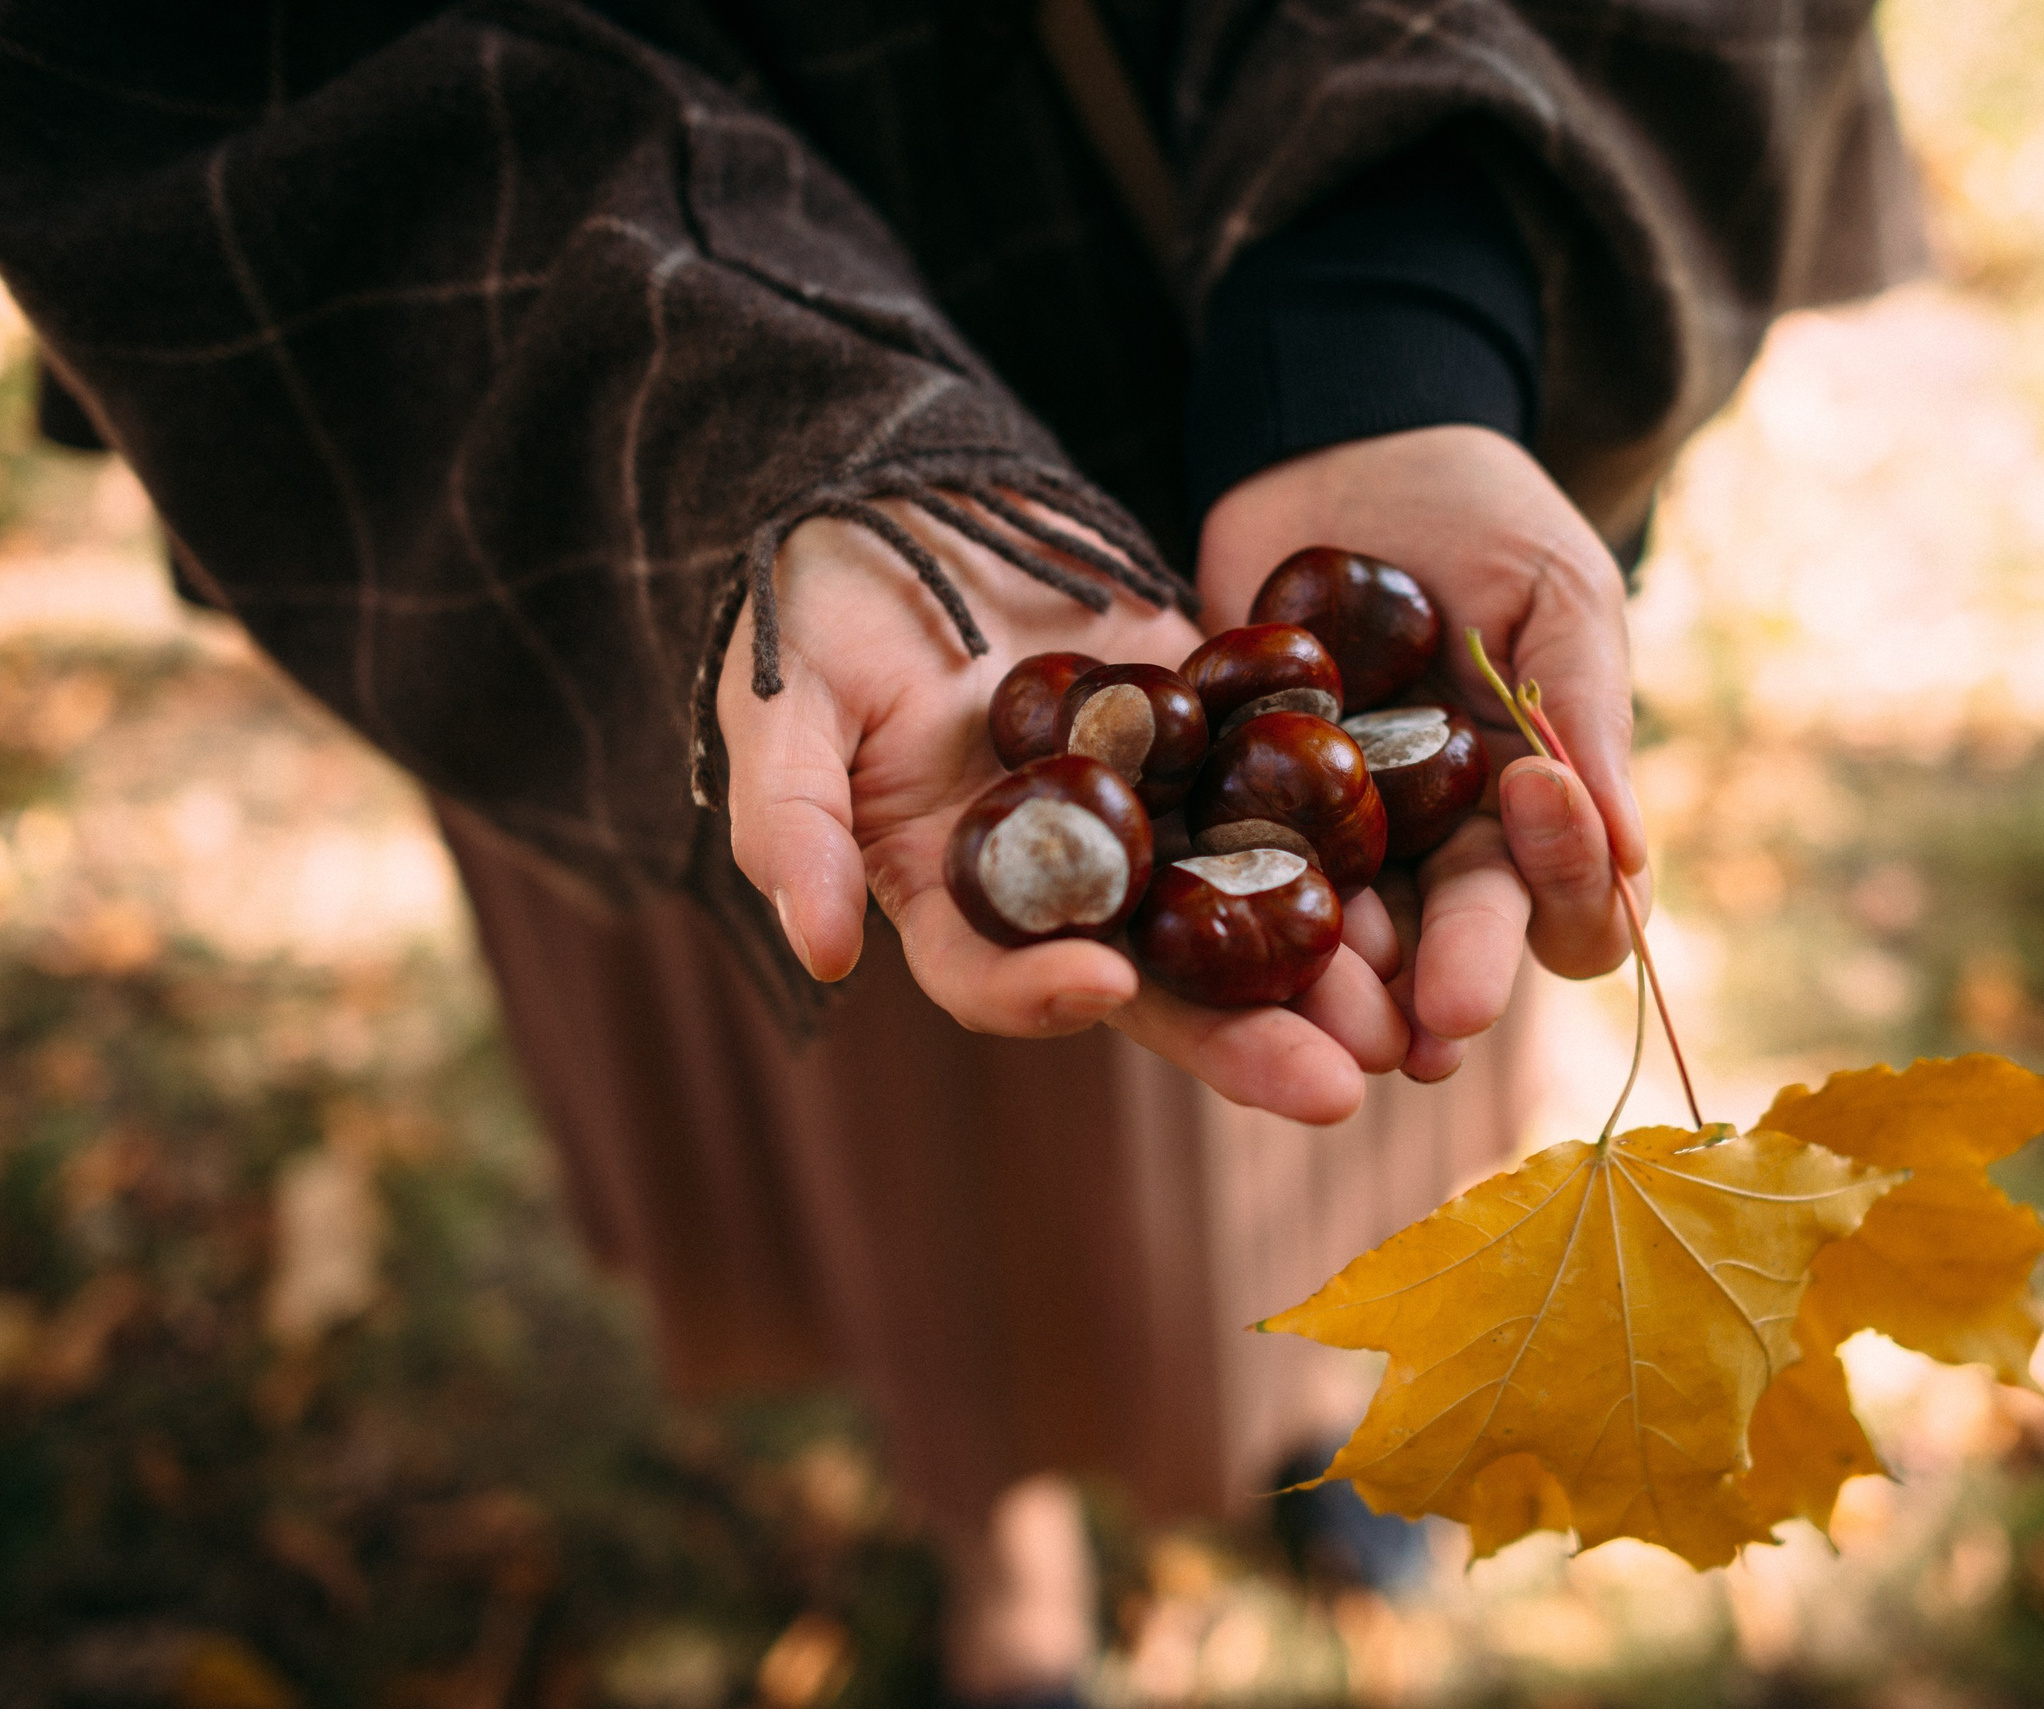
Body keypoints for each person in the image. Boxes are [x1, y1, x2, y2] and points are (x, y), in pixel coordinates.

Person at [0, 1, 1924, 1699]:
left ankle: (1321, 1401)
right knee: (891, 1056)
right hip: (664, 526)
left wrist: (1393, 322)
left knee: (1354, 1044)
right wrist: (749, 446)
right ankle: (1002, 1538)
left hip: (1234, 308)